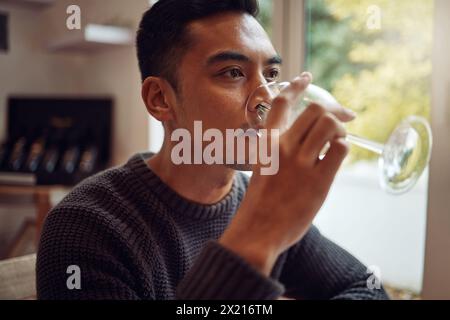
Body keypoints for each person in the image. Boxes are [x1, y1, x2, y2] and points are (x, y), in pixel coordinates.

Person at [36, 0, 389, 300]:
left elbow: (367, 288)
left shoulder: (253, 198)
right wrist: (258, 237)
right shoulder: (85, 227)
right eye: (233, 72)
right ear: (160, 99)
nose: (268, 97)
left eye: (271, 73)